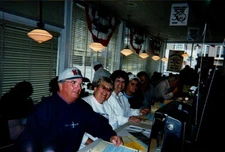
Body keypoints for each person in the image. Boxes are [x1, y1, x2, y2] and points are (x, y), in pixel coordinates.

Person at [16, 67, 123, 152]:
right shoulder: (44, 108)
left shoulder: (82, 107)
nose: (78, 88)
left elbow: (97, 123)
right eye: (73, 83)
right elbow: (28, 139)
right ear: (60, 85)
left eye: (80, 84)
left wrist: (111, 135)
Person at [79, 77, 118, 149]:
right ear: (95, 88)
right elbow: (78, 133)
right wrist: (94, 145)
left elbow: (114, 124)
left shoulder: (107, 106)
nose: (106, 91)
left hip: (104, 143)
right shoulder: (84, 103)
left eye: (109, 90)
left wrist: (113, 138)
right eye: (103, 87)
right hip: (86, 147)